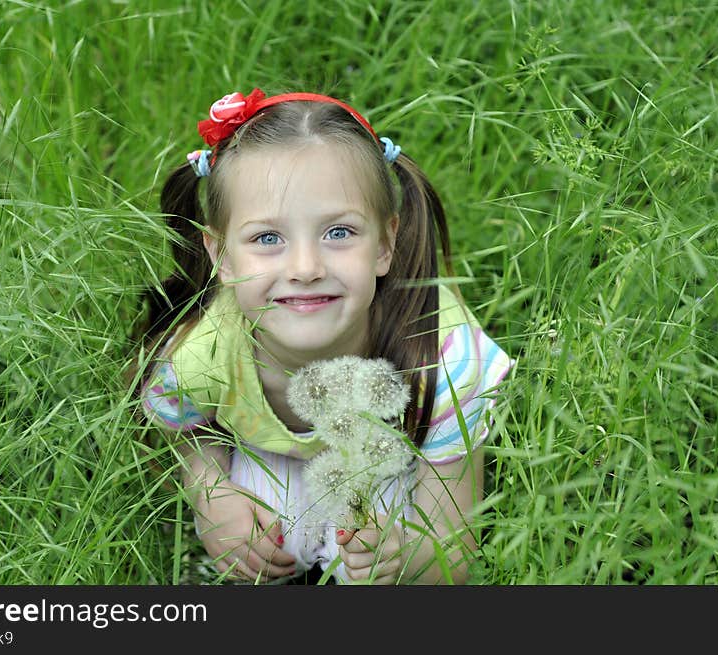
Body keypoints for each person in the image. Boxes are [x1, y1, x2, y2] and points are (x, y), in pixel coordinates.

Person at [131, 88, 514, 584]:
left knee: (378, 568)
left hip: (388, 464)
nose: (306, 268)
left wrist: (408, 556)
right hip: (277, 459)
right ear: (222, 257)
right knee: (260, 544)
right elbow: (177, 422)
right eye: (268, 238)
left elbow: (455, 548)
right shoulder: (203, 353)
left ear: (385, 244)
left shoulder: (443, 359)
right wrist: (210, 493)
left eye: (338, 232)